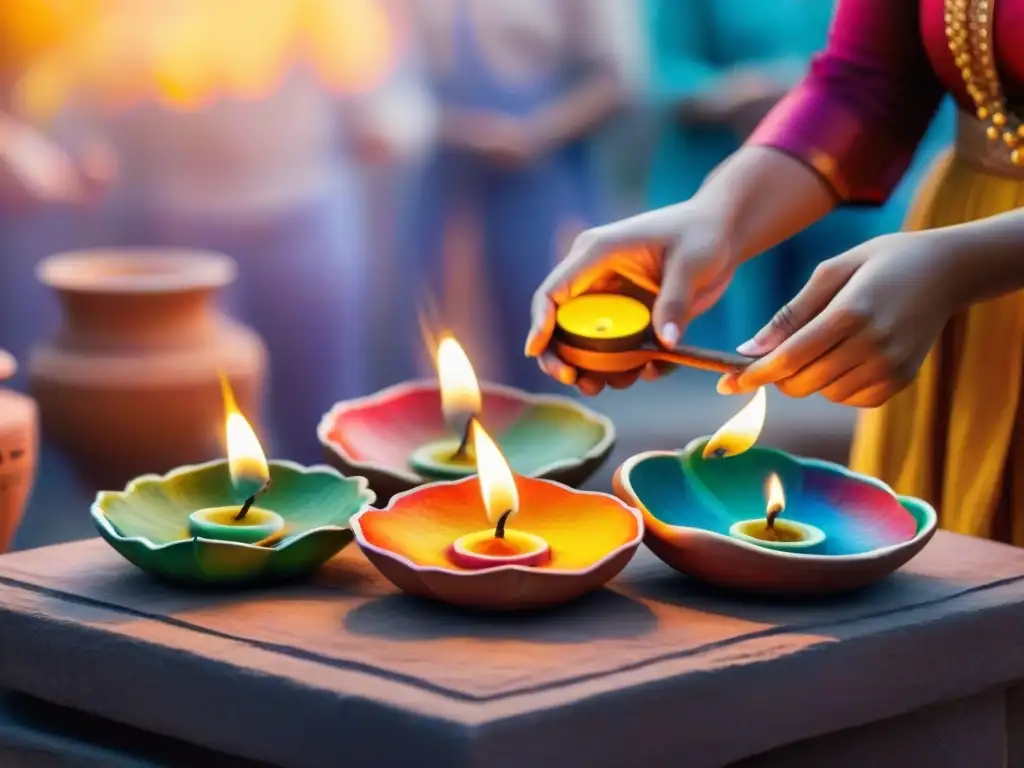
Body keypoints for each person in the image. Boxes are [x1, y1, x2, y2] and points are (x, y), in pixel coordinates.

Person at [527, 0, 1024, 545]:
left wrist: (963, 264)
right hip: (954, 250)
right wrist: (717, 214)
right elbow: (870, 80)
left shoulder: (952, 267)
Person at [644, 0, 953, 349]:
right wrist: (731, 94)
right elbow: (665, 73)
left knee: (840, 324)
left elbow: (890, 80)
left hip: (856, 179)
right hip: (729, 163)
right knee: (729, 328)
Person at [403, 0, 644, 389]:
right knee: (441, 339)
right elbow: (382, 83)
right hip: (443, 180)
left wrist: (533, 134)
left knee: (544, 341)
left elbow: (617, 81)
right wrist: (450, 128)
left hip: (539, 183)